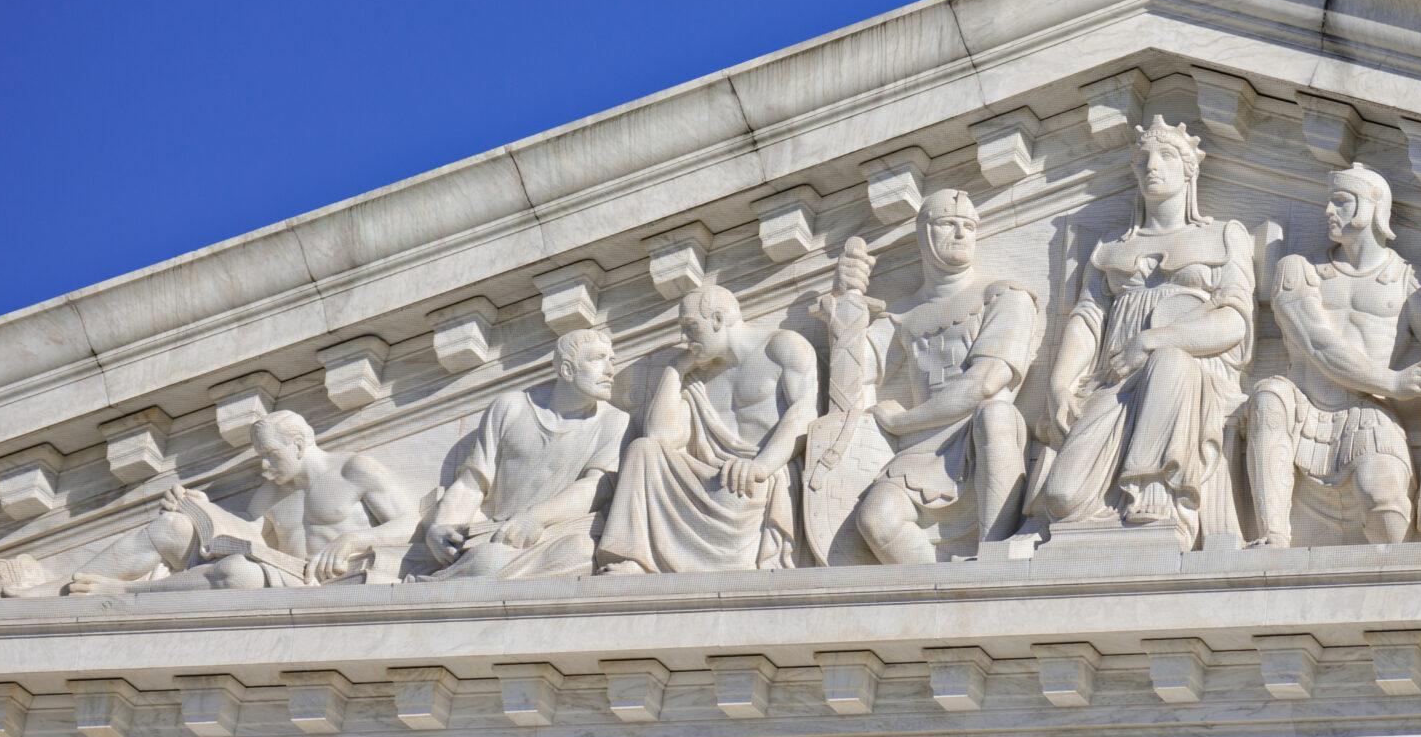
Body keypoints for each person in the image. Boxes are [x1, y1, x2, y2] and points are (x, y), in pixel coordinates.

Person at [1030, 117, 1255, 545]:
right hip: (1116, 380)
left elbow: (1234, 323)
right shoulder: (1111, 247)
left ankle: (1156, 493)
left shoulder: (1225, 236)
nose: (1152, 164)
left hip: (1194, 380)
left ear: (1190, 169)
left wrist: (1152, 342)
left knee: (1171, 363)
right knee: (1062, 497)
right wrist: (1060, 383)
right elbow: (1088, 318)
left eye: (1167, 155)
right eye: (1143, 157)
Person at [1246, 165, 1421, 547]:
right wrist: (1395, 382)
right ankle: (1272, 535)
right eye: (1329, 201)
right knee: (1269, 394)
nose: (1327, 211)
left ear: (1373, 207)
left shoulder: (1406, 280)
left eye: (1340, 201)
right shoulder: (1300, 271)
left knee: (1387, 510)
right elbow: (1317, 343)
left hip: (1368, 413)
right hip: (1301, 407)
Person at [846, 192, 1043, 563]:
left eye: (969, 226)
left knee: (995, 413)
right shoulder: (902, 314)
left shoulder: (1003, 296)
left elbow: (986, 382)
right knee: (876, 519)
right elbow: (854, 374)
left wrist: (902, 421)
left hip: (982, 438)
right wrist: (848, 301)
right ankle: (942, 594)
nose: (960, 233)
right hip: (923, 451)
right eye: (948, 224)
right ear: (923, 233)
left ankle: (994, 557)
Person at [597, 280, 817, 574]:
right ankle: (636, 559)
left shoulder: (782, 346)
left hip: (754, 480)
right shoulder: (698, 375)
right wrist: (676, 369)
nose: (685, 337)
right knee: (642, 449)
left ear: (717, 319)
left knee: (737, 490)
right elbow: (660, 437)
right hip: (708, 478)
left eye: (690, 326)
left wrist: (761, 466)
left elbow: (804, 413)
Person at [66, 411, 420, 593]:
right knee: (172, 526)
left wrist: (354, 540)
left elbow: (412, 522)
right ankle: (60, 588)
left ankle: (129, 591)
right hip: (286, 573)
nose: (264, 467)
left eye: (270, 455)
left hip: (336, 580)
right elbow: (248, 539)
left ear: (299, 444)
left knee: (238, 572)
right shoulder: (269, 494)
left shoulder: (353, 469)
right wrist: (202, 507)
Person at [421, 328, 629, 578]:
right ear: (567, 370)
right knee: (489, 559)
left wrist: (536, 518)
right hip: (496, 534)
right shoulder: (511, 407)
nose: (610, 371)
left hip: (555, 535)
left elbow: (595, 486)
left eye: (612, 361)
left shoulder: (615, 421)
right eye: (598, 359)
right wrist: (440, 527)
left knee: (582, 550)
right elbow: (471, 486)